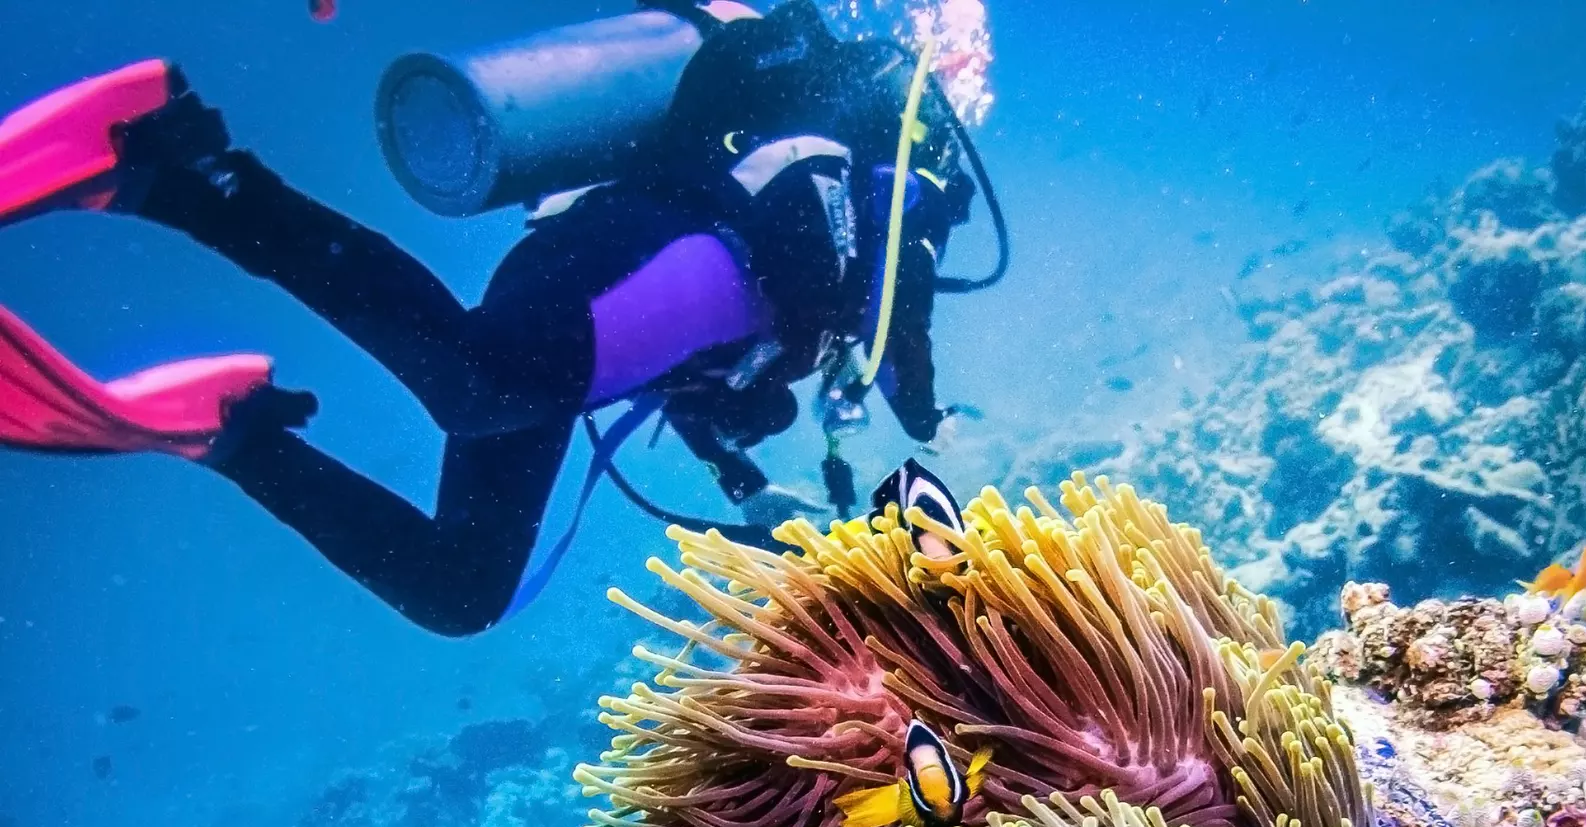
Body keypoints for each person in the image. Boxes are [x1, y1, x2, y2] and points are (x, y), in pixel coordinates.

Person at [0, 0, 1006, 634]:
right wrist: (924, 419)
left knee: (459, 591)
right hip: (658, 259)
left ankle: (236, 436)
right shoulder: (901, 162)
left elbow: (720, 367)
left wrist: (742, 475)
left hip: (623, 281)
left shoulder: (844, 178)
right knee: (476, 384)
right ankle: (181, 165)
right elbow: (895, 315)